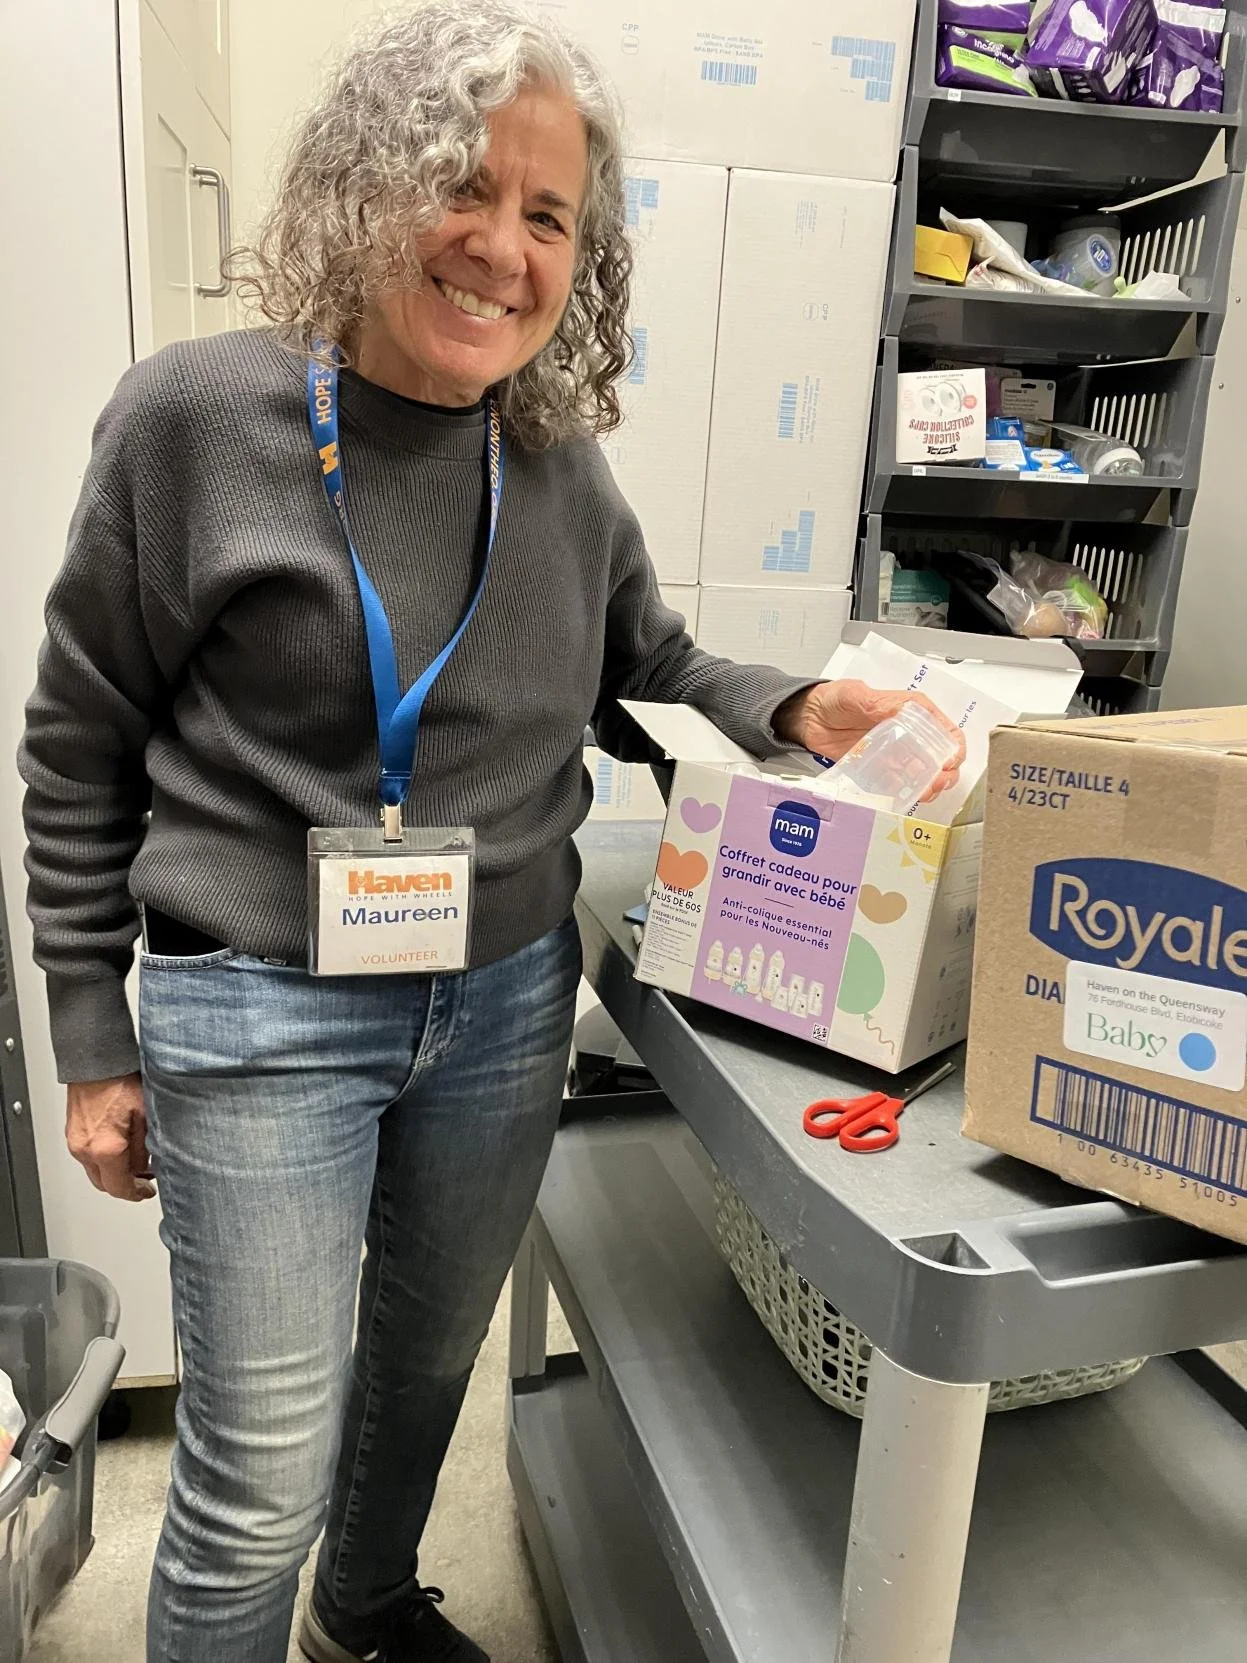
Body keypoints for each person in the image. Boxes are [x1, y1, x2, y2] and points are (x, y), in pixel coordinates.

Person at [18, 4, 962, 1661]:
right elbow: (78, 739)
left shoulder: (559, 465)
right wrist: (93, 1035)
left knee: (426, 1369)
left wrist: (796, 705)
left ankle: (364, 1608)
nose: (504, 249)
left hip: (504, 999)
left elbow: (643, 666)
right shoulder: (191, 422)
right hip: (259, 1007)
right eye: (469, 186)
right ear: (369, 181)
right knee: (254, 1472)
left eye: (550, 218)